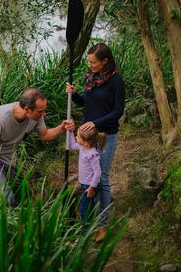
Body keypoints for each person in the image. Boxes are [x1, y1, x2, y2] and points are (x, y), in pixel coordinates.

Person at [0, 88, 75, 206]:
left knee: (13, 199)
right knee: (5, 198)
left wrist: (62, 128)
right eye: (40, 111)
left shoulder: (36, 117)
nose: (44, 114)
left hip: (9, 159)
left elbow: (45, 135)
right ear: (27, 109)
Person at [66, 42, 125, 242]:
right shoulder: (90, 78)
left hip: (106, 135)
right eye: (89, 62)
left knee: (103, 179)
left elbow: (118, 112)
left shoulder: (116, 81)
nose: (90, 65)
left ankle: (103, 225)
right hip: (88, 137)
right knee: (90, 177)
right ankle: (88, 220)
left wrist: (95, 123)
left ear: (105, 61)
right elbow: (87, 103)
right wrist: (74, 95)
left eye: (93, 62)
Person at [68, 128, 106, 232]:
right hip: (85, 185)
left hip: (90, 186)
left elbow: (98, 173)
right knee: (89, 205)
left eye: (78, 136)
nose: (76, 137)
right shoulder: (82, 147)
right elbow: (72, 145)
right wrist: (70, 131)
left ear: (85, 142)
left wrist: (91, 187)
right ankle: (91, 226)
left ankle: (85, 232)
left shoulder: (92, 155)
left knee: (83, 209)